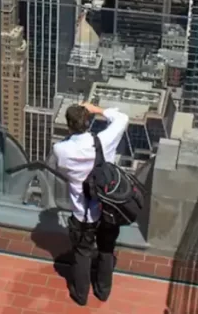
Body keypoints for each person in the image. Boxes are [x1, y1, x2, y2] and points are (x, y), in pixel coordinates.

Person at [53, 101, 129, 306]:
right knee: (106, 250)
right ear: (89, 122)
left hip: (82, 214)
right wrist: (97, 109)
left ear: (69, 125)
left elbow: (61, 168)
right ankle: (103, 292)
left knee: (82, 254)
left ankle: (81, 294)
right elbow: (122, 118)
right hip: (108, 209)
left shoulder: (61, 149)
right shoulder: (103, 140)